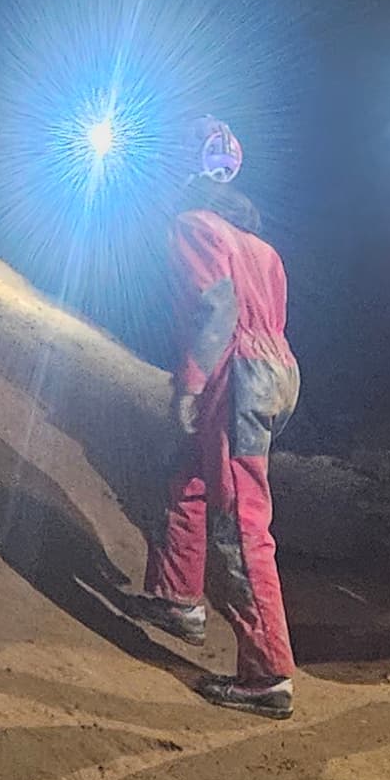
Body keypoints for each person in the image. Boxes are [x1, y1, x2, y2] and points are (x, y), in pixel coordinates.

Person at [139, 120, 304, 720]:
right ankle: (179, 596)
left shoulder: (194, 227)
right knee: (189, 469)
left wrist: (191, 383)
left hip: (237, 374)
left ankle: (268, 674)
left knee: (240, 520)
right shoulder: (261, 247)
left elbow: (215, 309)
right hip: (276, 371)